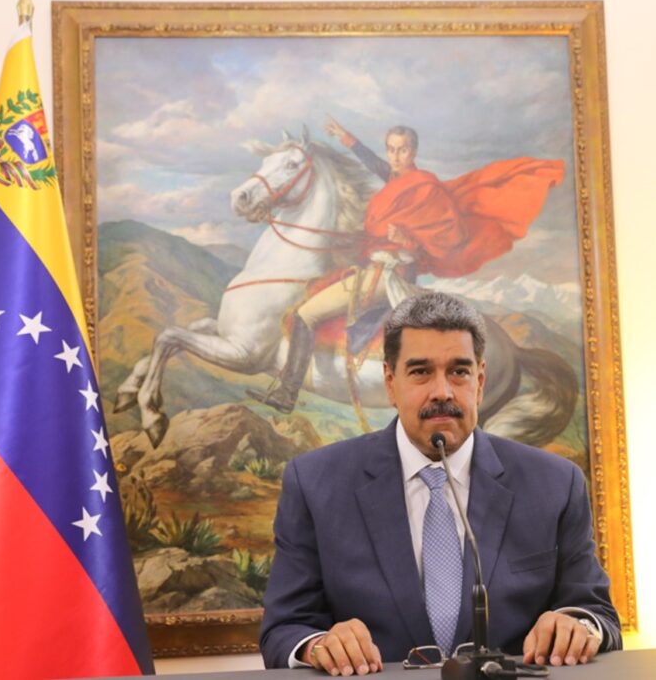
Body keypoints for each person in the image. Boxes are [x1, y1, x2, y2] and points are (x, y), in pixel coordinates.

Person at [259, 292, 621, 674]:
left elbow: (597, 613)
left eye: (459, 372)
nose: (442, 392)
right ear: (390, 382)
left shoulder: (555, 483)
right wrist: (319, 646)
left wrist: (578, 626)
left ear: (480, 382)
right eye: (420, 372)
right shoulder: (315, 483)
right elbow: (284, 629)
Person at [247, 120, 564, 415]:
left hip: (387, 275)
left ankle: (287, 394)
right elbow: (375, 164)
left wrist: (408, 240)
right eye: (391, 149)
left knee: (306, 315)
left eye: (402, 150)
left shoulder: (425, 188)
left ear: (413, 151)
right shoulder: (397, 180)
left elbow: (452, 237)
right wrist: (345, 137)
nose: (396, 156)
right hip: (371, 266)